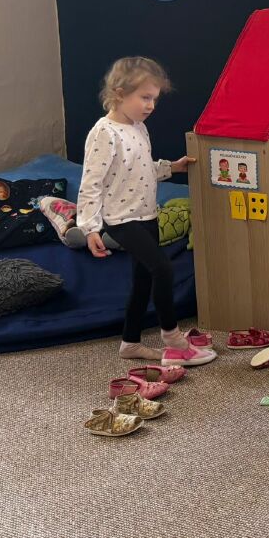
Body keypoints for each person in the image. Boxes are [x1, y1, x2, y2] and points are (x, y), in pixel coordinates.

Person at [76, 56, 215, 367]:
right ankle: (173, 339)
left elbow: (140, 168)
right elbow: (91, 182)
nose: (151, 105)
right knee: (162, 269)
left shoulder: (139, 127)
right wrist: (90, 227)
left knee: (143, 280)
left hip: (146, 213)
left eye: (154, 98)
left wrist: (171, 167)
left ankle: (130, 343)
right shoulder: (104, 133)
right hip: (121, 219)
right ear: (119, 93)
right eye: (145, 97)